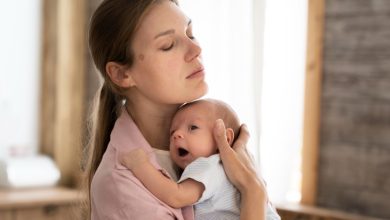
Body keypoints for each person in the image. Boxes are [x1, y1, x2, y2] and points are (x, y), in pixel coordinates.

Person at [85, 0, 269, 219]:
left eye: (190, 34)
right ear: (122, 74)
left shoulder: (218, 135)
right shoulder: (121, 184)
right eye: (168, 45)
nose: (196, 49)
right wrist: (254, 192)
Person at [121, 99, 280, 220]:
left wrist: (140, 165)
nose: (177, 135)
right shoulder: (240, 167)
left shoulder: (209, 165)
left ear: (225, 138)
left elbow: (175, 196)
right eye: (173, 132)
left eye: (193, 128)